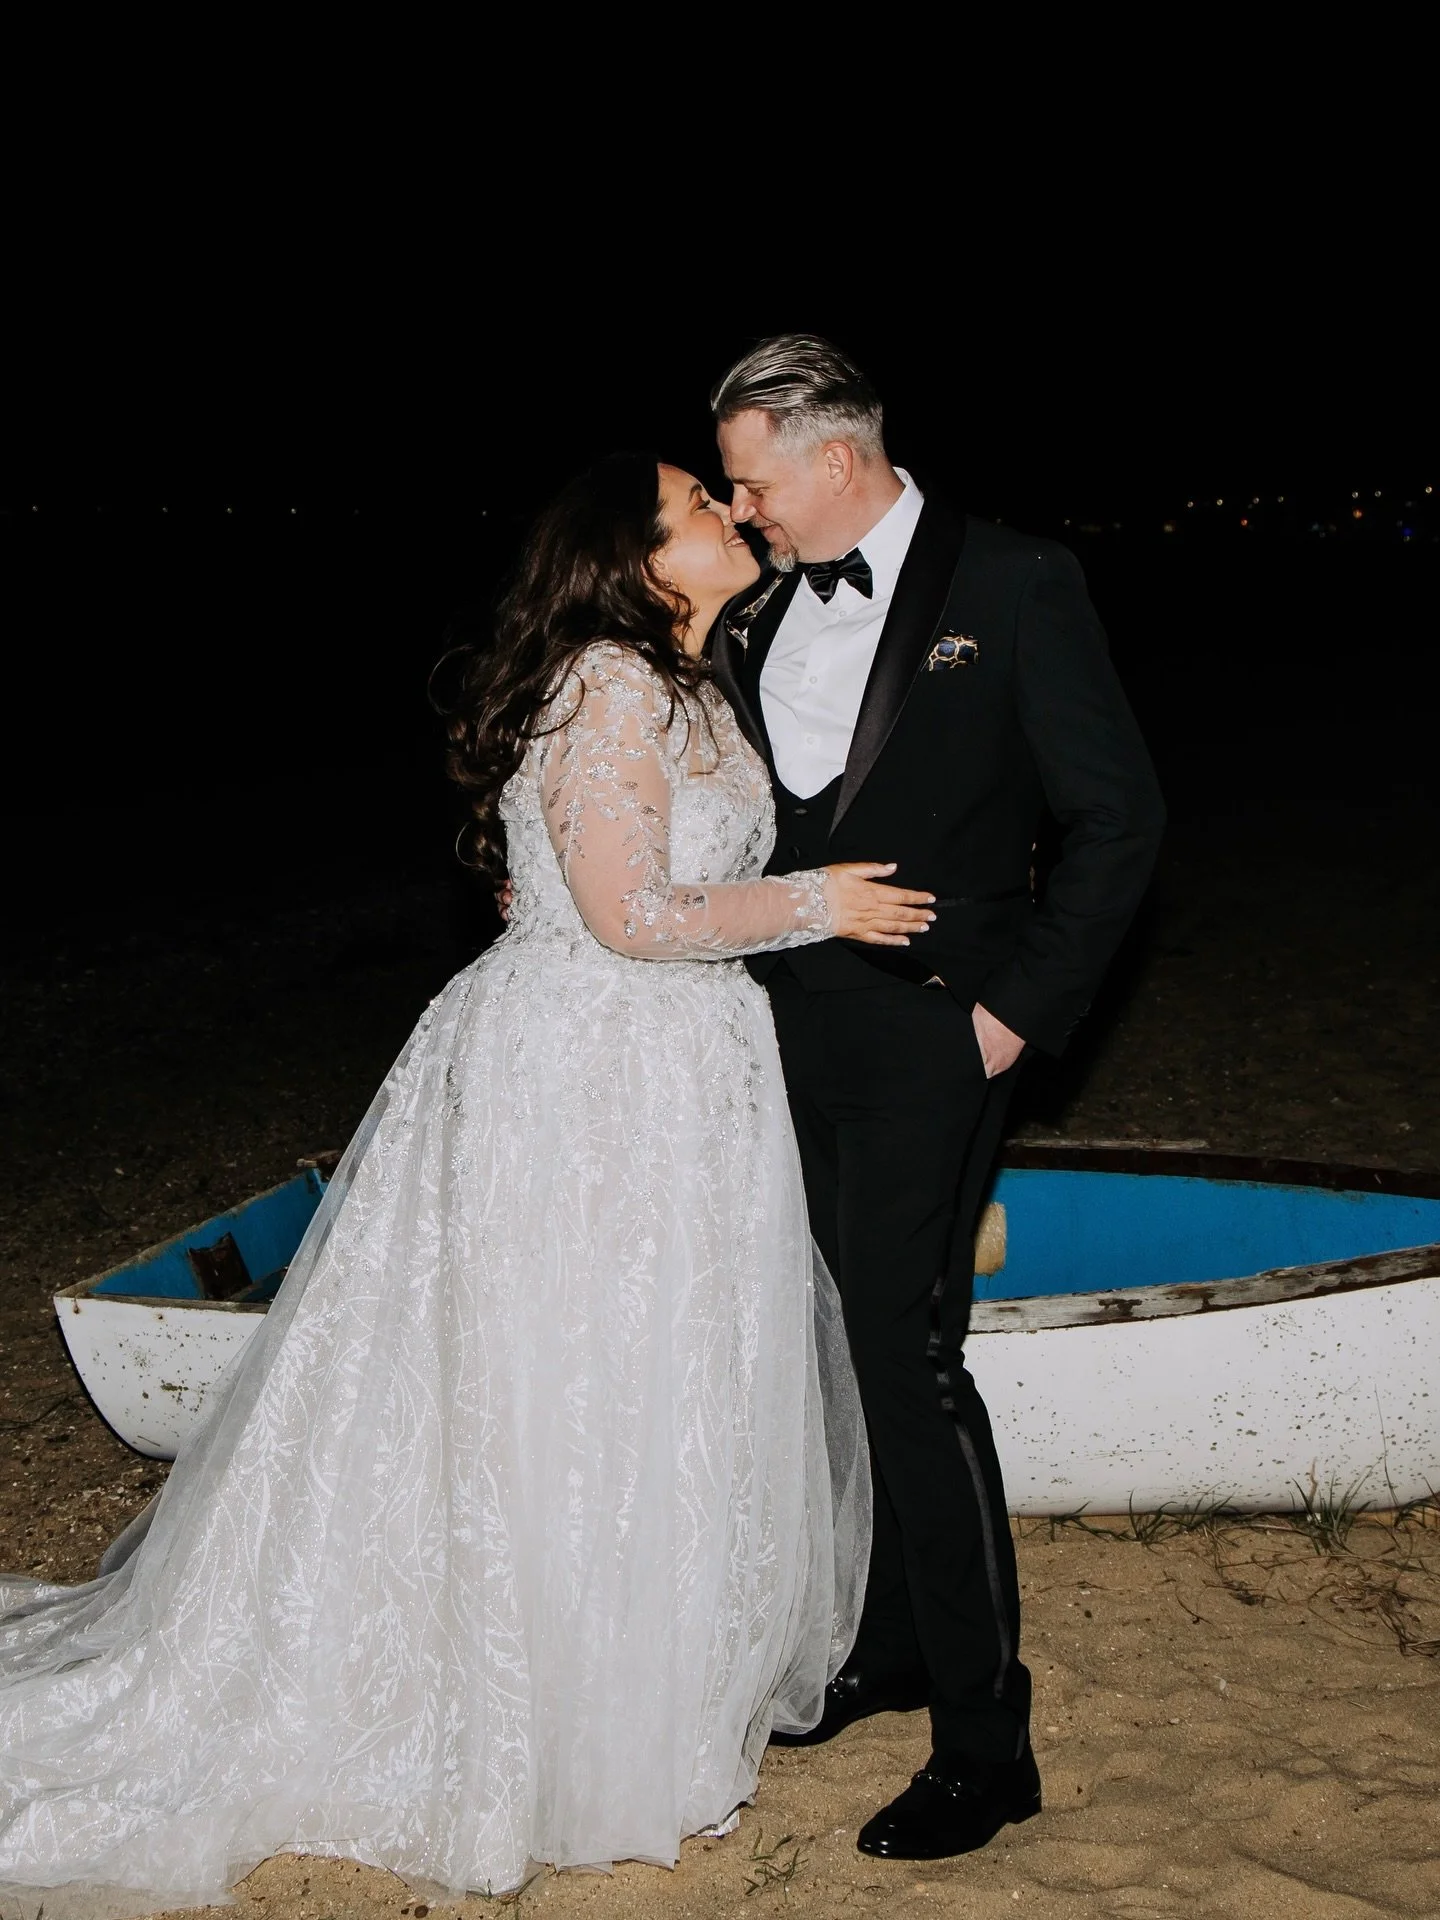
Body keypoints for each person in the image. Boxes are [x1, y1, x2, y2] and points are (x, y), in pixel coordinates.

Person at [0, 453, 937, 1906]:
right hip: (583, 1079)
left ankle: (640, 1706)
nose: (735, 517)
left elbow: (602, 867)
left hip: (682, 1072)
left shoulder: (692, 678)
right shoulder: (610, 686)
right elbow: (628, 917)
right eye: (702, 509)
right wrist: (825, 904)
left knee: (658, 1383)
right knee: (555, 1385)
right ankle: (537, 1721)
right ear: (636, 565)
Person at [707, 335, 1166, 1862]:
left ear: (836, 460)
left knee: (906, 1361)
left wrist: (1011, 1020)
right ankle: (896, 1647)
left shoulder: (1018, 582)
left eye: (754, 479)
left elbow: (1117, 818)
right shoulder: (755, 607)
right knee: (858, 1343)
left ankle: (988, 1746)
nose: (743, 507)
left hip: (932, 1039)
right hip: (775, 1036)